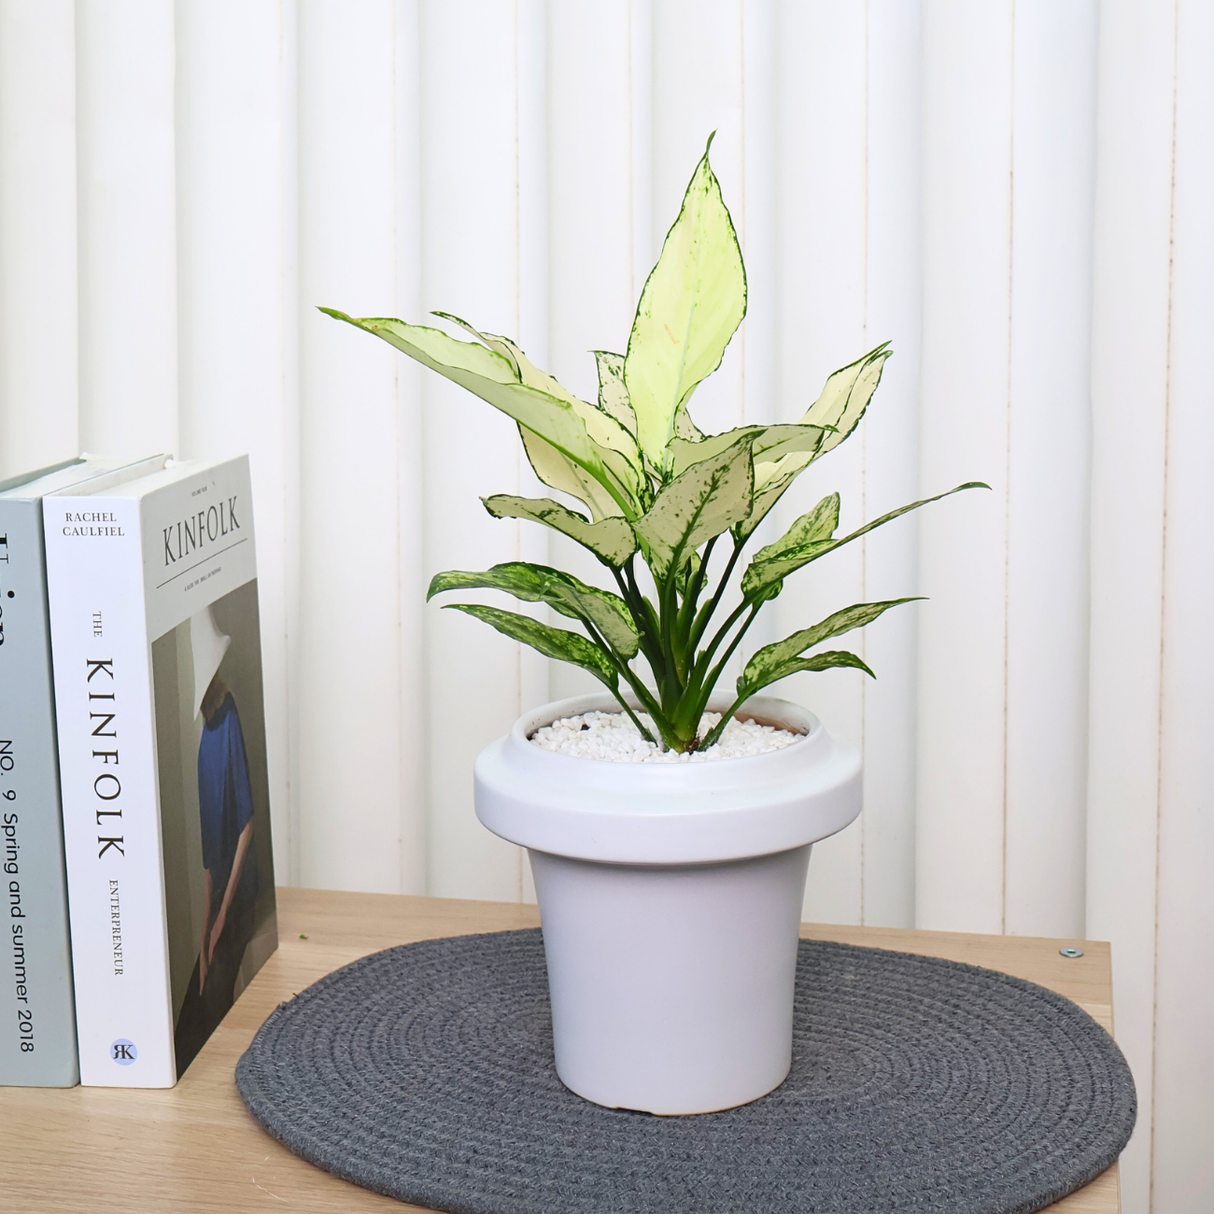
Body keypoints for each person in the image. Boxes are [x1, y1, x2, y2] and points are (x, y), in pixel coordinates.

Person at [173, 607, 259, 1076]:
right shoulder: (206, 740)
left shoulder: (229, 722)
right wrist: (205, 933)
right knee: (197, 988)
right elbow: (210, 861)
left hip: (241, 891)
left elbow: (247, 825)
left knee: (216, 998)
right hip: (220, 892)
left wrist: (224, 915)